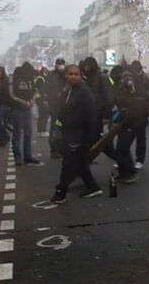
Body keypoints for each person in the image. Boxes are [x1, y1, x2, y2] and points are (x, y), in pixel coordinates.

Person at [50, 65, 102, 203]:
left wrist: (89, 138)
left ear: (80, 75)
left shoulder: (84, 92)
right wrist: (57, 128)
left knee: (69, 163)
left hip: (78, 134)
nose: (73, 76)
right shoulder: (67, 90)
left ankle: (60, 192)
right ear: (66, 75)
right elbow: (62, 113)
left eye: (76, 74)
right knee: (80, 162)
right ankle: (92, 186)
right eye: (70, 74)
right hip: (68, 132)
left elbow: (91, 116)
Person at [10, 62, 41, 165]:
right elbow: (12, 95)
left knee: (28, 133)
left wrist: (32, 100)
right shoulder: (15, 79)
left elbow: (35, 91)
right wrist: (25, 102)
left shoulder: (30, 80)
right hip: (17, 109)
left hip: (27, 109)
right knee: (17, 134)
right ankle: (18, 157)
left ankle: (27, 156)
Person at [129, 60, 149, 168]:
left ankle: (140, 159)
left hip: (141, 111)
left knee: (140, 136)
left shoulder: (147, 79)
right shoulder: (129, 78)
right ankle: (125, 157)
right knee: (127, 137)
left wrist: (142, 98)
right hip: (130, 110)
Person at [47, 59, 68, 158]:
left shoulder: (66, 74)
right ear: (55, 65)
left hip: (64, 107)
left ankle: (61, 149)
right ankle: (54, 149)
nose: (61, 66)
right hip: (55, 106)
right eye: (59, 64)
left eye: (62, 64)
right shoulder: (51, 75)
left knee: (62, 127)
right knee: (55, 127)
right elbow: (47, 88)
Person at [0, 67, 13, 147]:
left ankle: (5, 137)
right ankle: (1, 140)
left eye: (0, 72)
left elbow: (4, 92)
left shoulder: (6, 81)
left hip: (4, 103)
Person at [34, 68, 50, 136]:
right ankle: (43, 131)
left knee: (42, 115)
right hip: (41, 99)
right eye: (44, 71)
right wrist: (45, 100)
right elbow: (42, 90)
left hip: (38, 99)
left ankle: (40, 131)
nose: (45, 72)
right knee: (44, 115)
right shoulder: (41, 79)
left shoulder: (38, 78)